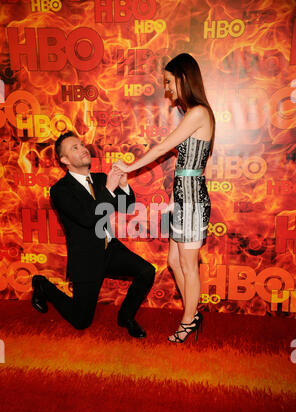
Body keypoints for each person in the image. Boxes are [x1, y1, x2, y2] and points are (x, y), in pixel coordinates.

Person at [114, 53, 215, 343]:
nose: (168, 88)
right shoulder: (192, 113)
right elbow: (182, 163)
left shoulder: (198, 112)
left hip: (193, 200)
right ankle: (193, 313)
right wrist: (173, 199)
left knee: (187, 264)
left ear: (184, 78)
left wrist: (129, 167)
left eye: (169, 81)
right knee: (174, 260)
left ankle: (188, 321)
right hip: (183, 198)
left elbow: (163, 148)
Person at [31, 131, 155, 338]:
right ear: (64, 160)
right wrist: (109, 188)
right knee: (81, 322)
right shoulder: (60, 190)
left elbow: (126, 207)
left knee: (146, 271)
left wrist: (123, 184)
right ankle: (43, 285)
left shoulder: (100, 179)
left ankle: (125, 318)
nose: (82, 149)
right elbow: (88, 219)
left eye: (81, 145)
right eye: (74, 148)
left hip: (109, 248)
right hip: (86, 257)